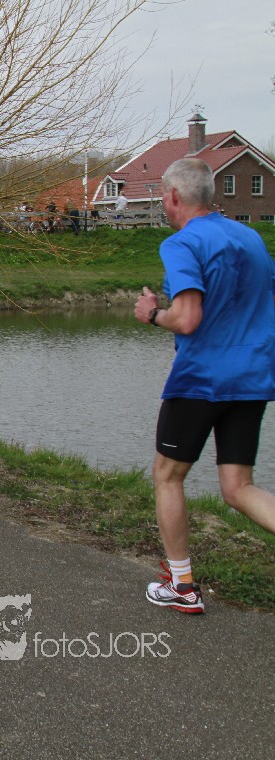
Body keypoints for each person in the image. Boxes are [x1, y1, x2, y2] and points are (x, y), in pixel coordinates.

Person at [133, 158, 275, 614]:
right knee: (238, 487)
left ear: (174, 196)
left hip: (201, 379)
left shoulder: (182, 243)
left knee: (167, 476)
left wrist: (152, 313)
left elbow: (188, 318)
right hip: (253, 377)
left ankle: (182, 586)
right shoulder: (251, 238)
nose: (162, 201)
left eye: (162, 194)